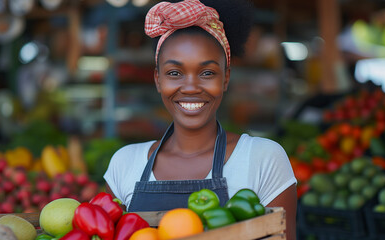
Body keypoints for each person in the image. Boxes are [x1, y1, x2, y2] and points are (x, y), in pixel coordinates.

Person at [104, 0, 297, 238]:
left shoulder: (262, 159)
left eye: (207, 73)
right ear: (157, 79)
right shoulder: (124, 164)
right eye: (174, 73)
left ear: (225, 79)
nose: (191, 87)